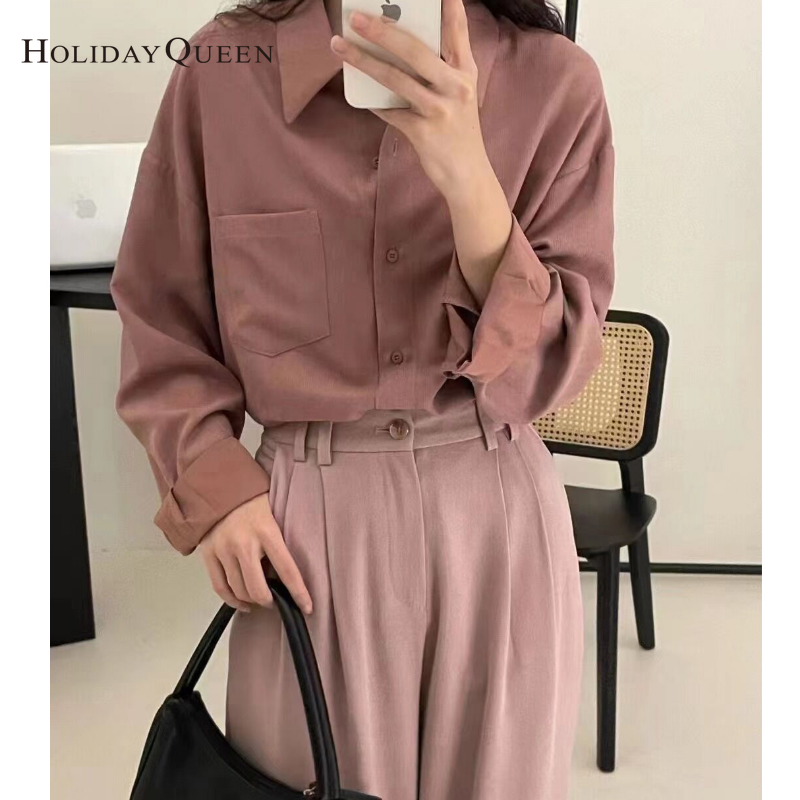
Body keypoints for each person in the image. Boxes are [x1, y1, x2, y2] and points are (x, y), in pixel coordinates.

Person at [110, 0, 615, 797]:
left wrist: (469, 178)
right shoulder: (224, 72)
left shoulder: (555, 81)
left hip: (496, 521)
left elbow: (557, 365)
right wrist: (215, 493)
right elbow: (160, 315)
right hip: (304, 531)